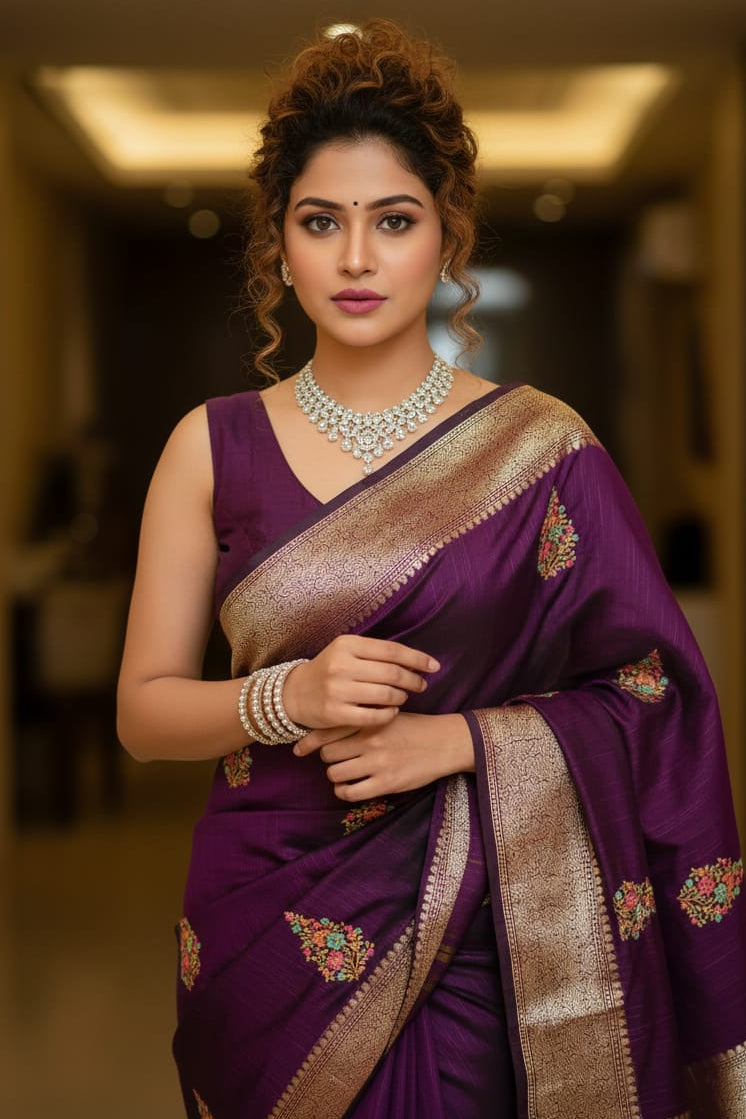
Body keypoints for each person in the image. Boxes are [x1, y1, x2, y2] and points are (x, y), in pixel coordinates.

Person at [116, 20, 746, 1119]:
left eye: (392, 221)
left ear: (444, 239)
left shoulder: (542, 448)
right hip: (264, 919)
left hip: (490, 937)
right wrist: (284, 696)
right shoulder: (206, 445)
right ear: (278, 244)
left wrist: (460, 740)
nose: (355, 258)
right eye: (321, 222)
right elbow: (143, 712)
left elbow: (653, 692)